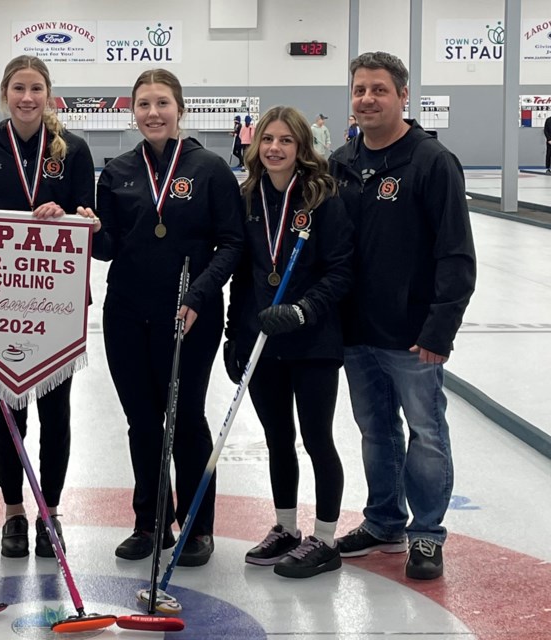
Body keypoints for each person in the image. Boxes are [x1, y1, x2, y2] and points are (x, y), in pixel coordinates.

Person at [90, 68, 246, 567]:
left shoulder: (211, 169)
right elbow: (108, 247)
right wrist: (87, 230)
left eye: (162, 103)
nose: (152, 113)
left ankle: (197, 525)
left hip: (190, 314)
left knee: (186, 420)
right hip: (128, 314)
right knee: (142, 422)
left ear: (180, 108)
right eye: (143, 105)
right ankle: (149, 522)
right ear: (132, 112)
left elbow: (233, 242)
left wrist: (200, 294)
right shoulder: (116, 171)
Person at [330, 51, 476, 581]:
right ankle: (385, 520)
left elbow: (456, 255)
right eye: (359, 89)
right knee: (374, 431)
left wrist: (440, 328)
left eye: (379, 89)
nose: (367, 98)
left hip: (413, 337)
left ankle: (427, 534)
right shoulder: (342, 162)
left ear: (402, 96)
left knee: (426, 432)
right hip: (356, 331)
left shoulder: (432, 162)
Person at [0, 55, 95, 559]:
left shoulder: (73, 150)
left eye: (36, 88)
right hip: (1, 305)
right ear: (4, 93)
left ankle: (50, 511)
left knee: (56, 413)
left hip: (55, 302)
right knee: (8, 412)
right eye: (19, 88)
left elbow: (88, 214)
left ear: (48, 93)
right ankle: (14, 512)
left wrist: (67, 215)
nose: (28, 98)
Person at [224, 106, 353, 579]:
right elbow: (241, 274)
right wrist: (233, 335)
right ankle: (285, 529)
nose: (275, 148)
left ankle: (324, 537)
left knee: (317, 437)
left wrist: (303, 310)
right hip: (264, 341)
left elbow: (341, 269)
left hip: (313, 339)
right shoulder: (248, 197)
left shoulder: (323, 197)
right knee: (278, 438)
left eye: (286, 140)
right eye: (268, 140)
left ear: (302, 147)